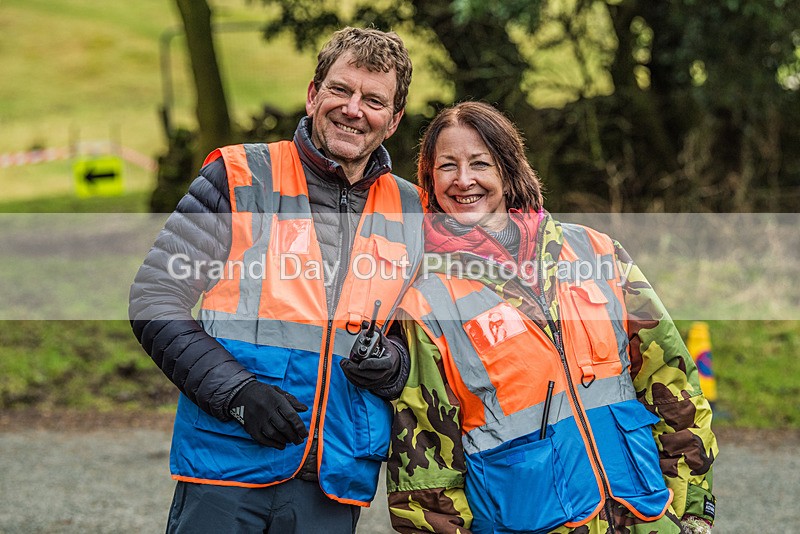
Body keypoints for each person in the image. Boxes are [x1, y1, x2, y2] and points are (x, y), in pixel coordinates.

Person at [128, 27, 425, 534]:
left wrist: (393, 365)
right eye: (340, 89)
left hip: (332, 480)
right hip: (228, 465)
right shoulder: (241, 175)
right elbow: (155, 298)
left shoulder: (412, 208)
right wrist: (238, 393)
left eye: (374, 100)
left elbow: (423, 338)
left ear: (393, 120)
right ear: (313, 95)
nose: (353, 109)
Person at [386, 102, 718, 534]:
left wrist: (690, 509)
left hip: (646, 519)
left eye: (480, 163)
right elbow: (425, 467)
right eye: (447, 166)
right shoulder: (428, 303)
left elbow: (672, 383)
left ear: (508, 170)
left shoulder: (597, 253)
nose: (463, 180)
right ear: (430, 181)